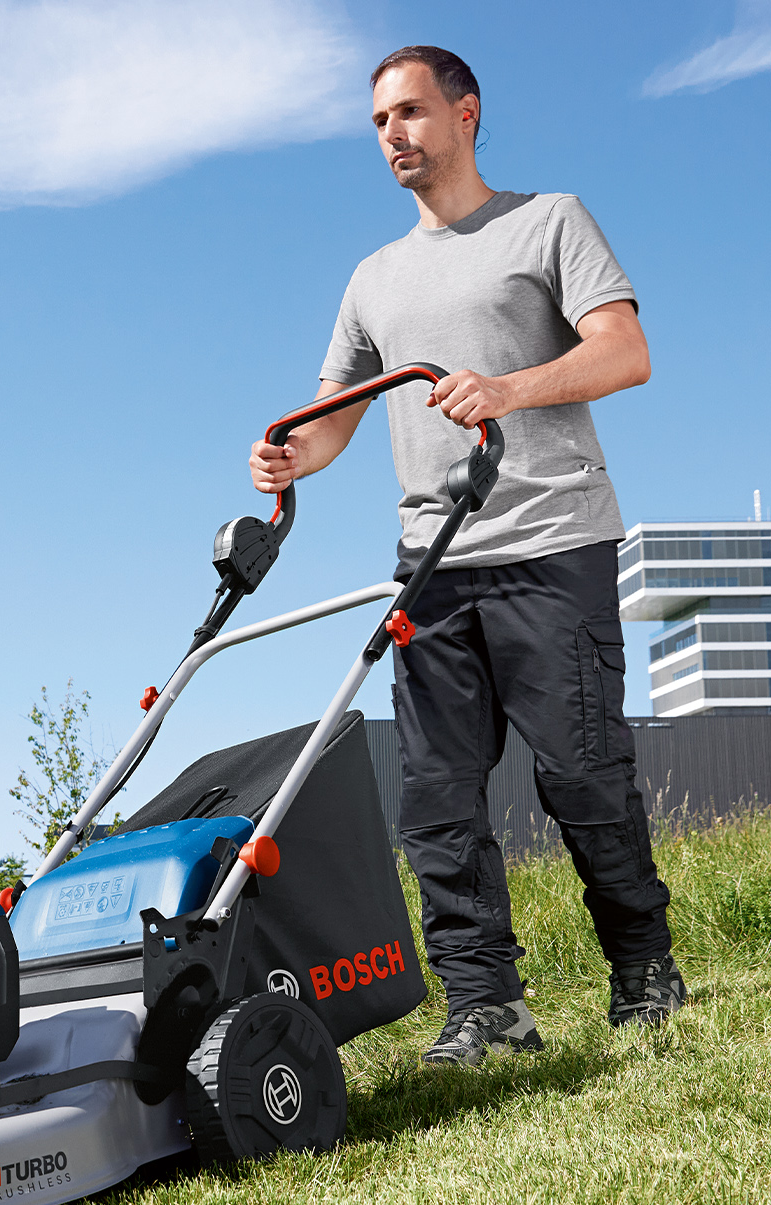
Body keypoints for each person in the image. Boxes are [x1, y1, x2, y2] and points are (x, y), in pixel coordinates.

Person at [249, 45, 687, 1067]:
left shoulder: (549, 222)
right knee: (437, 797)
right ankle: (487, 1004)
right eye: (377, 123)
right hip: (431, 564)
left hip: (551, 540)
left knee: (583, 773)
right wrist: (284, 455)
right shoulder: (375, 278)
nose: (392, 134)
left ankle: (644, 969)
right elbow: (332, 421)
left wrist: (506, 388)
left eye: (408, 112)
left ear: (466, 112)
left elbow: (626, 354)